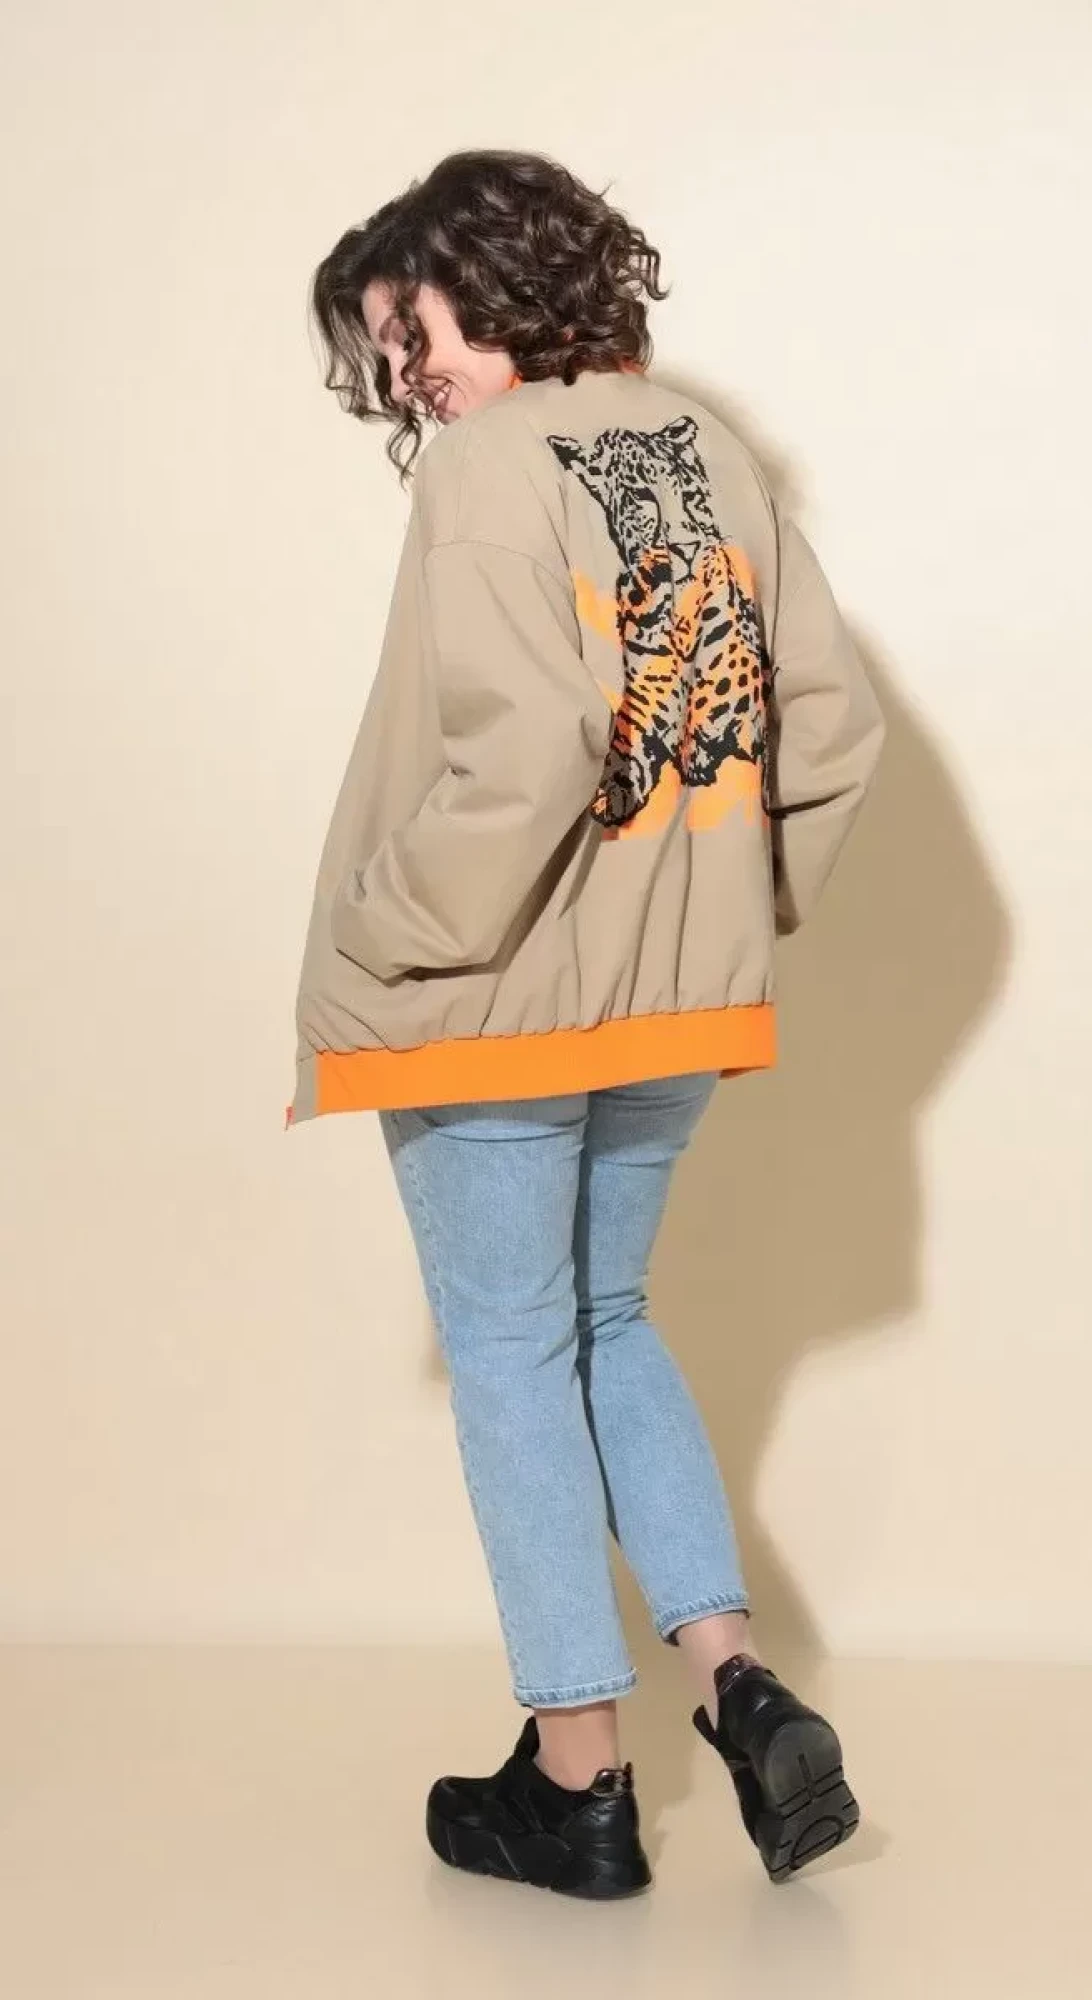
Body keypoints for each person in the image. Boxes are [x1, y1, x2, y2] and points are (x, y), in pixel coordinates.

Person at [289, 150, 885, 1897]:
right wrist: (721, 914)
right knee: (606, 1321)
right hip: (677, 1004)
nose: (407, 376)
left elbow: (531, 750)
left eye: (411, 328)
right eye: (385, 355)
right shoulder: (708, 447)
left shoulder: (487, 470)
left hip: (493, 1006)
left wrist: (387, 926)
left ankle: (579, 1781)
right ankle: (741, 1682)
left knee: (509, 1355)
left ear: (491, 277)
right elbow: (830, 729)